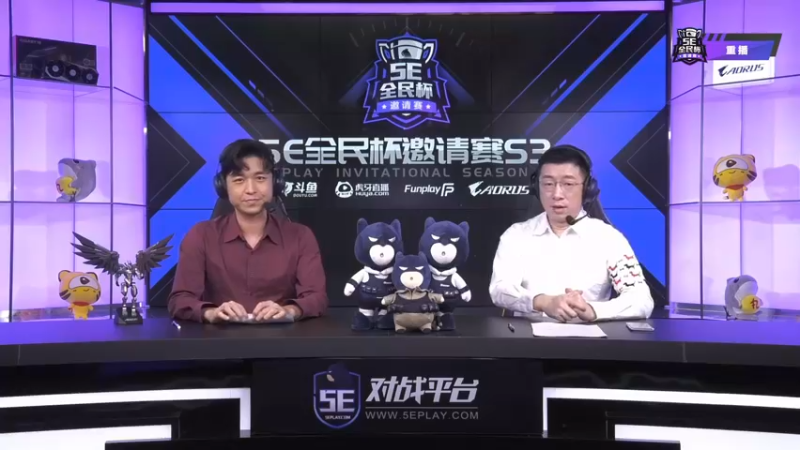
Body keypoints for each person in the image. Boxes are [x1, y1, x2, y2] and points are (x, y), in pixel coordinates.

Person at [168, 139, 328, 323]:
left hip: (283, 338)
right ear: (223, 186)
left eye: (260, 178)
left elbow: (317, 298)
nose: (251, 190)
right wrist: (212, 313)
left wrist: (289, 311)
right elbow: (180, 300)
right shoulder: (201, 235)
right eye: (239, 180)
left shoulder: (300, 236)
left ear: (275, 182)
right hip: (218, 339)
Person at [489, 145, 653, 322]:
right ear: (537, 187)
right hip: (527, 337)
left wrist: (593, 310)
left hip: (592, 337)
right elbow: (500, 290)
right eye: (548, 184)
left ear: (587, 189)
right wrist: (543, 302)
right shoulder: (516, 235)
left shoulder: (609, 238)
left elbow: (641, 299)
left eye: (568, 184)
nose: (557, 194)